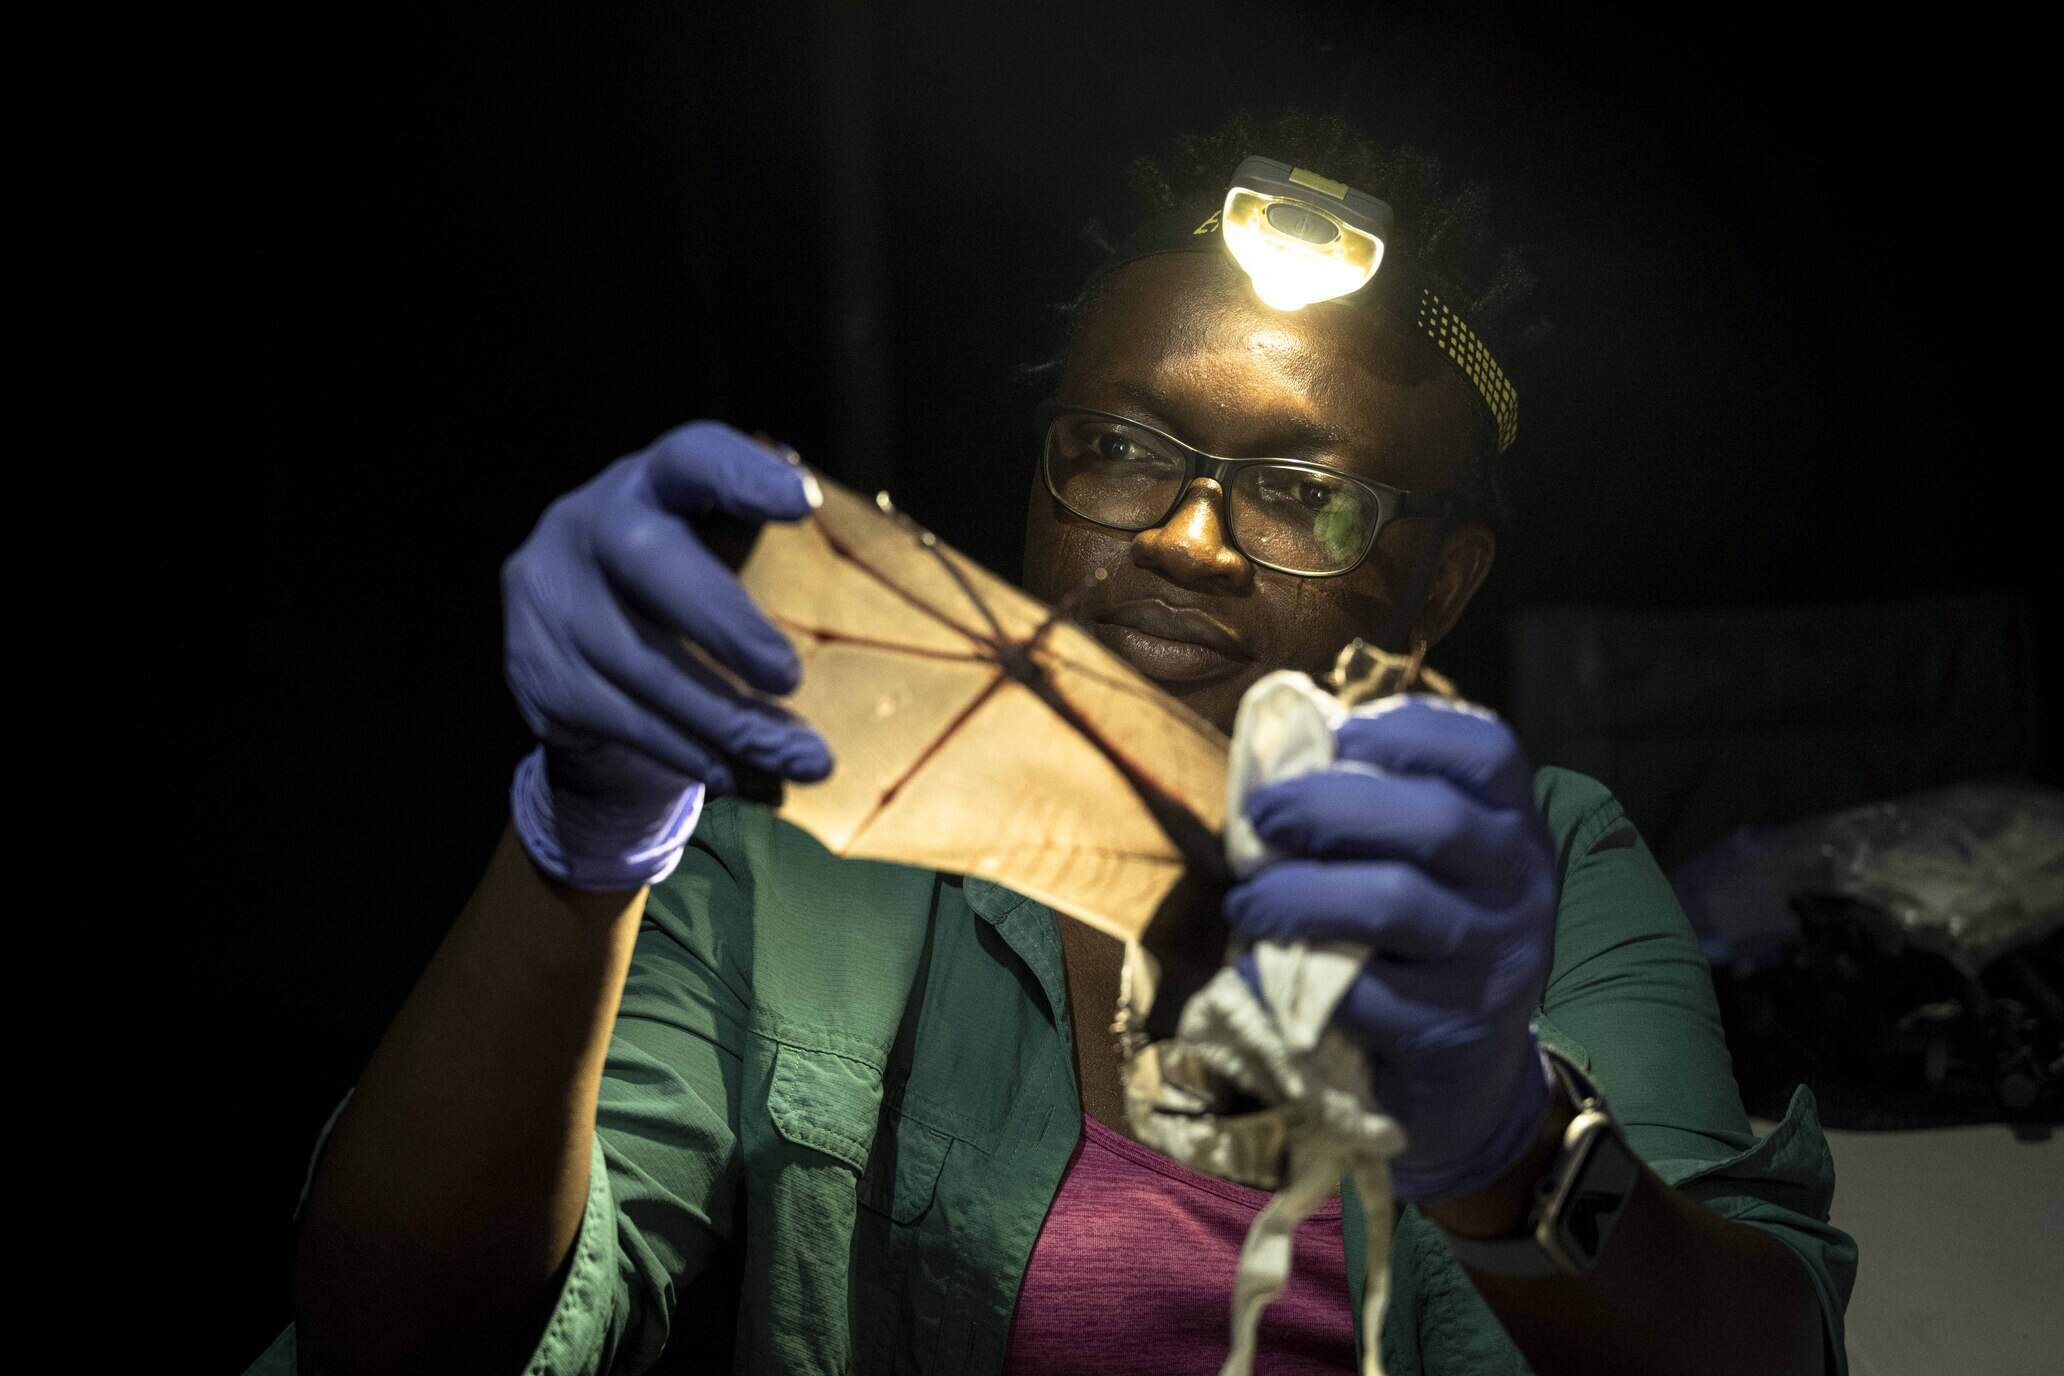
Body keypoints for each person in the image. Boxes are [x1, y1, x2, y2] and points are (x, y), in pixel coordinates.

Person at [249, 113, 1857, 1375]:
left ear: (1439, 579)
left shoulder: (1547, 871)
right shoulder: (800, 868)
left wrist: (1509, 1145)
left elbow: (1770, 1354)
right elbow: (397, 1341)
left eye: (1301, 492)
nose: (1191, 539)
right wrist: (577, 841)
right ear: (1039, 481)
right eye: (1120, 451)